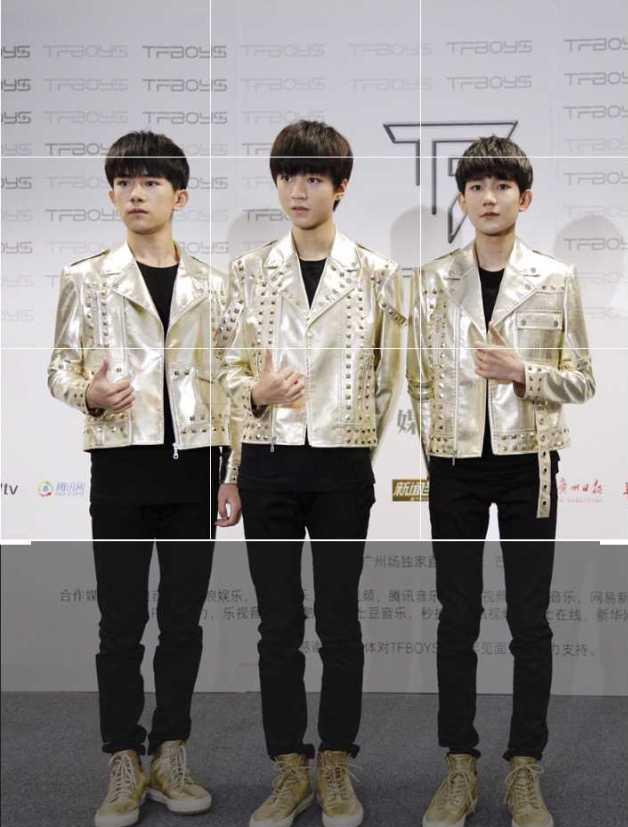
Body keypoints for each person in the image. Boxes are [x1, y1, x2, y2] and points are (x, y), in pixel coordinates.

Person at [47, 130, 241, 827]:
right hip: (120, 466)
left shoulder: (215, 285)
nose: (136, 193)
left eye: (151, 182)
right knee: (121, 624)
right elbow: (58, 369)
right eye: (124, 182)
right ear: (111, 195)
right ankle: (123, 759)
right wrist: (89, 395)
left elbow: (234, 384)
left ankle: (171, 752)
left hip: (195, 467)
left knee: (183, 622)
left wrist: (232, 473)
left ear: (179, 197)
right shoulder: (85, 277)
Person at [218, 119, 405, 827]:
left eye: (314, 177)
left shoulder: (377, 274)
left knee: (339, 620)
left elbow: (387, 381)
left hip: (340, 469)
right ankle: (288, 766)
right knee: (277, 624)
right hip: (266, 462)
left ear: (341, 187)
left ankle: (335, 762)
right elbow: (224, 369)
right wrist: (254, 396)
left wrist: (355, 447)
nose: (298, 190)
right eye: (288, 176)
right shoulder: (248, 271)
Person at [407, 135, 595, 827]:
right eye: (476, 187)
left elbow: (583, 379)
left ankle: (524, 766)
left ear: (525, 197)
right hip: (454, 466)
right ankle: (460, 764)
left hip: (529, 463)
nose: (489, 199)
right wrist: (437, 451)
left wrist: (524, 374)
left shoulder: (555, 278)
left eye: (502, 187)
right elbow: (419, 379)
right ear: (461, 199)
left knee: (529, 619)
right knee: (456, 616)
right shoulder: (431, 280)